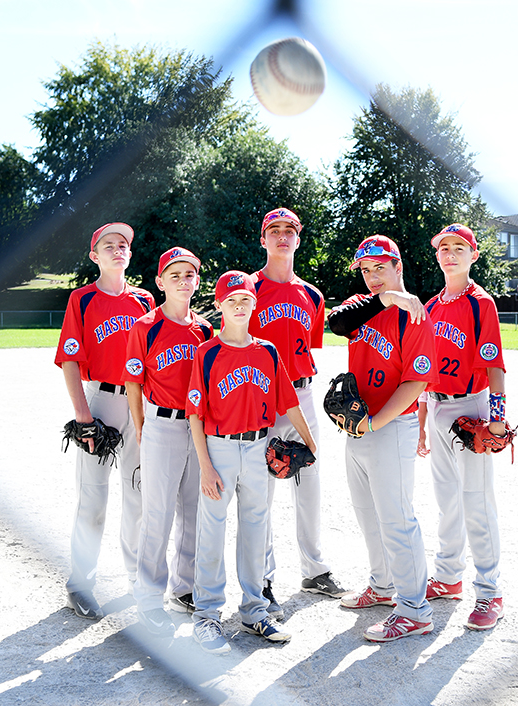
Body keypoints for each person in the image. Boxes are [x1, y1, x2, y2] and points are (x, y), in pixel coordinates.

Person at [185, 271, 317, 654]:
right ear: (220, 305)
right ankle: (206, 616)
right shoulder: (206, 352)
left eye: (245, 299)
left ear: (253, 305)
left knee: (256, 530)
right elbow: (195, 414)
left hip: (259, 448)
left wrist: (309, 444)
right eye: (231, 300)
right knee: (211, 531)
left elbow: (289, 402)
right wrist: (205, 466)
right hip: (220, 448)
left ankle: (254, 610)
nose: (239, 306)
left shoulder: (268, 351)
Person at [326, 235, 437, 642]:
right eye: (367, 270)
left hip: (390, 427)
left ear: (398, 267)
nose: (373, 277)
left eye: (380, 268)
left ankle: (415, 610)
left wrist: (373, 423)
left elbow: (416, 381)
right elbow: (336, 323)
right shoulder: (365, 308)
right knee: (366, 512)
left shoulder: (415, 315)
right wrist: (382, 300)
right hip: (358, 426)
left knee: (396, 518)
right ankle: (383, 586)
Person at [54, 222, 155, 620]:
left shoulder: (146, 300)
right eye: (108, 245)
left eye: (123, 244)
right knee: (93, 498)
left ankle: (136, 577)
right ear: (95, 255)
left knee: (139, 495)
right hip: (100, 401)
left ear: (130, 254)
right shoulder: (82, 299)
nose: (118, 249)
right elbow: (70, 359)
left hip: (140, 403)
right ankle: (80, 583)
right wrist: (83, 416)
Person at [249, 207, 346, 614]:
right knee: (261, 491)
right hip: (260, 398)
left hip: (302, 395)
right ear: (263, 239)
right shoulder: (248, 289)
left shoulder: (312, 295)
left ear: (298, 238)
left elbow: (308, 353)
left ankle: (314, 569)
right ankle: (263, 577)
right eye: (275, 230)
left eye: (290, 230)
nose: (283, 236)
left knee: (309, 483)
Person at [416, 223, 508, 631]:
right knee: (447, 501)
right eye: (444, 248)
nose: (450, 253)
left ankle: (490, 592)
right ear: (437, 256)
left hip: (470, 408)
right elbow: (424, 370)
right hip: (436, 407)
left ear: (473, 254)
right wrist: (421, 422)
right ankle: (449, 577)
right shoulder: (432, 307)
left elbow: (494, 366)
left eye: (459, 247)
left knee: (476, 501)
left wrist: (499, 417)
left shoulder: (480, 303)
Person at [124, 247, 213, 637]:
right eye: (173, 275)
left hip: (199, 428)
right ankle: (147, 597)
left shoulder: (206, 330)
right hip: (161, 423)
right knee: (157, 513)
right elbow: (133, 380)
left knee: (194, 511)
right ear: (160, 282)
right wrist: (141, 424)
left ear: (197, 281)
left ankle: (184, 587)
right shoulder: (145, 325)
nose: (182, 280)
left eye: (189, 274)